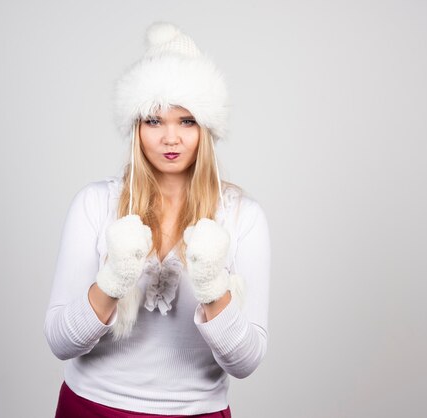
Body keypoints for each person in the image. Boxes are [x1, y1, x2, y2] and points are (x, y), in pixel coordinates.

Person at [44, 22, 270, 418]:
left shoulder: (241, 216)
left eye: (186, 121)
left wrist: (212, 284)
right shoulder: (94, 204)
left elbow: (246, 362)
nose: (170, 138)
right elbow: (61, 342)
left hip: (196, 411)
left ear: (206, 128)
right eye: (154, 120)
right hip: (93, 406)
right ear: (135, 126)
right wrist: (113, 279)